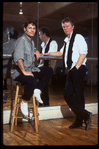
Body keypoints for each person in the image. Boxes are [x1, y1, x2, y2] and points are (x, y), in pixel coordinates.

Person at [44, 17, 92, 131]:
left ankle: (79, 120)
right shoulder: (66, 40)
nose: (65, 28)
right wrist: (47, 53)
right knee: (67, 95)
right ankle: (85, 115)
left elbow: (83, 53)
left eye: (67, 26)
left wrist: (76, 67)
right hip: (71, 70)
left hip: (78, 69)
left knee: (79, 95)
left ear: (72, 26)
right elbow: (61, 53)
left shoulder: (78, 37)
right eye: (63, 27)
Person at [11, 21, 53, 117]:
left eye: (34, 28)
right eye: (30, 28)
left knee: (48, 70)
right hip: (18, 72)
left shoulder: (31, 42)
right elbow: (18, 58)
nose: (32, 30)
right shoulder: (21, 40)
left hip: (30, 69)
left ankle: (38, 90)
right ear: (25, 29)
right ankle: (24, 101)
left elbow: (32, 51)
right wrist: (24, 72)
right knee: (32, 80)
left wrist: (37, 51)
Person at [37, 27, 58, 106]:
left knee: (43, 86)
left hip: (48, 68)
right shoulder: (42, 45)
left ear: (44, 35)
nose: (39, 37)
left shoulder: (53, 43)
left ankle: (44, 104)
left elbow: (50, 55)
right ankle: (45, 104)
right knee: (44, 87)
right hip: (41, 67)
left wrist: (41, 55)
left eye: (40, 35)